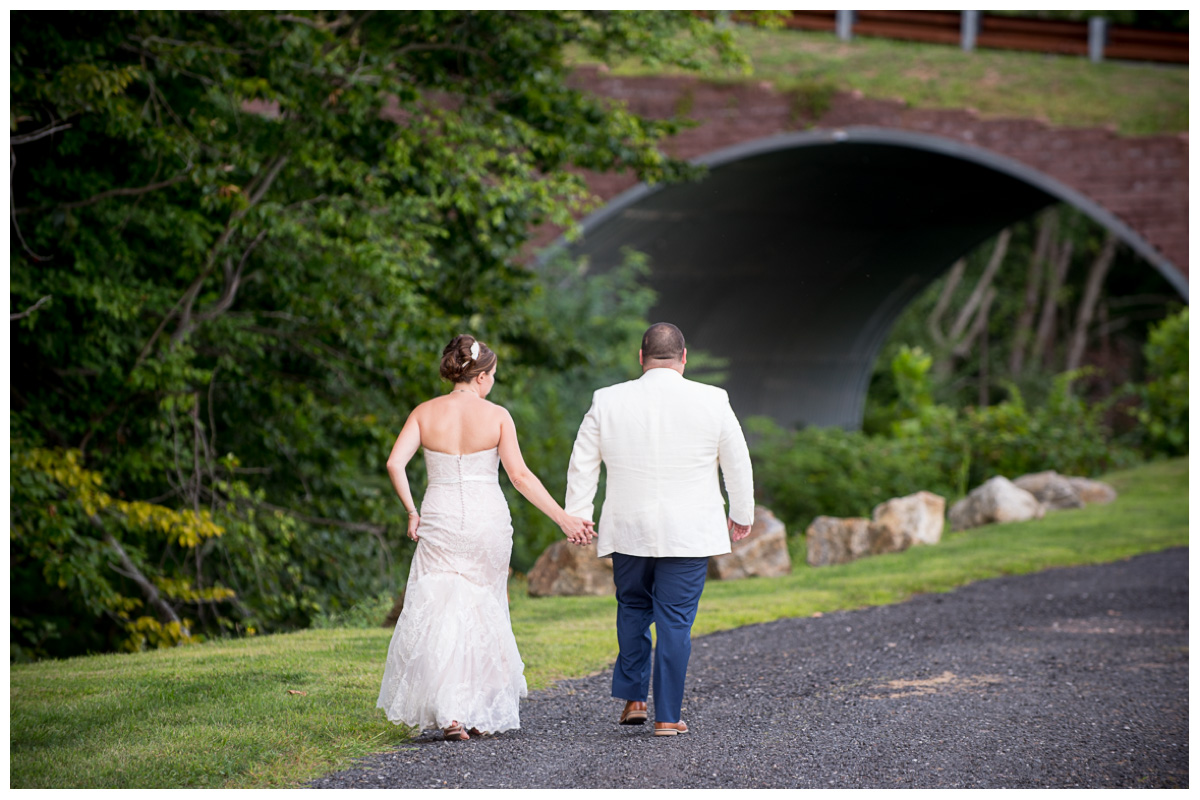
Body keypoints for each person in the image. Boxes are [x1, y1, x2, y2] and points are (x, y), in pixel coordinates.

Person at [378, 334, 594, 741]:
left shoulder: (424, 412)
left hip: (439, 519)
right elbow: (520, 477)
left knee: (440, 605)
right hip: (486, 521)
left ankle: (450, 713)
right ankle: (476, 711)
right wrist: (564, 519)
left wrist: (411, 511)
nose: (493, 382)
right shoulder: (497, 416)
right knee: (484, 607)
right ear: (480, 376)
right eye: (493, 375)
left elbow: (395, 462)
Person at [564, 322, 754, 736]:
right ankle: (668, 717)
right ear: (684, 357)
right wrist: (742, 512)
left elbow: (583, 462)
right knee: (676, 621)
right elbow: (736, 461)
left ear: (641, 357)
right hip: (689, 531)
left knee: (633, 607)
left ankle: (634, 698)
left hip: (628, 527)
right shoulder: (713, 399)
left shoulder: (607, 399)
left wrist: (578, 513)